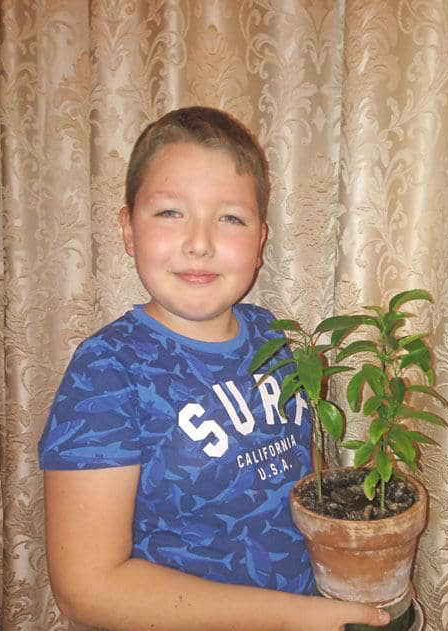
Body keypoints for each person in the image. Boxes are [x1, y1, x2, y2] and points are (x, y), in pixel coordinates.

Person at [39, 106, 390, 631]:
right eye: (169, 213)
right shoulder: (106, 371)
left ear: (261, 242)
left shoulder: (274, 335)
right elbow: (87, 588)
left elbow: (306, 472)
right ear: (128, 230)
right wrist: (294, 618)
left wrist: (360, 562)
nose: (200, 243)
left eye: (230, 218)